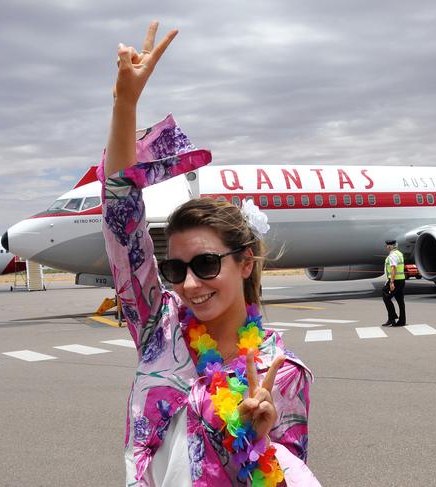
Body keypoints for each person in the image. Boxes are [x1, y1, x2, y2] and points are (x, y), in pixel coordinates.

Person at [101, 21, 320, 486]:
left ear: (245, 262)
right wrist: (125, 105)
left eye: (205, 264)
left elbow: (287, 478)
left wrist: (257, 442)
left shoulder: (282, 372)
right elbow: (122, 218)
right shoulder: (158, 329)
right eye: (176, 269)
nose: (190, 284)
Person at [381, 239, 406, 327]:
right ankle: (402, 320)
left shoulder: (393, 255)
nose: (387, 247)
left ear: (390, 246)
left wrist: (391, 282)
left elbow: (393, 268)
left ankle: (392, 318)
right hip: (401, 279)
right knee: (400, 301)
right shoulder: (399, 253)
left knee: (385, 295)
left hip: (395, 280)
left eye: (388, 245)